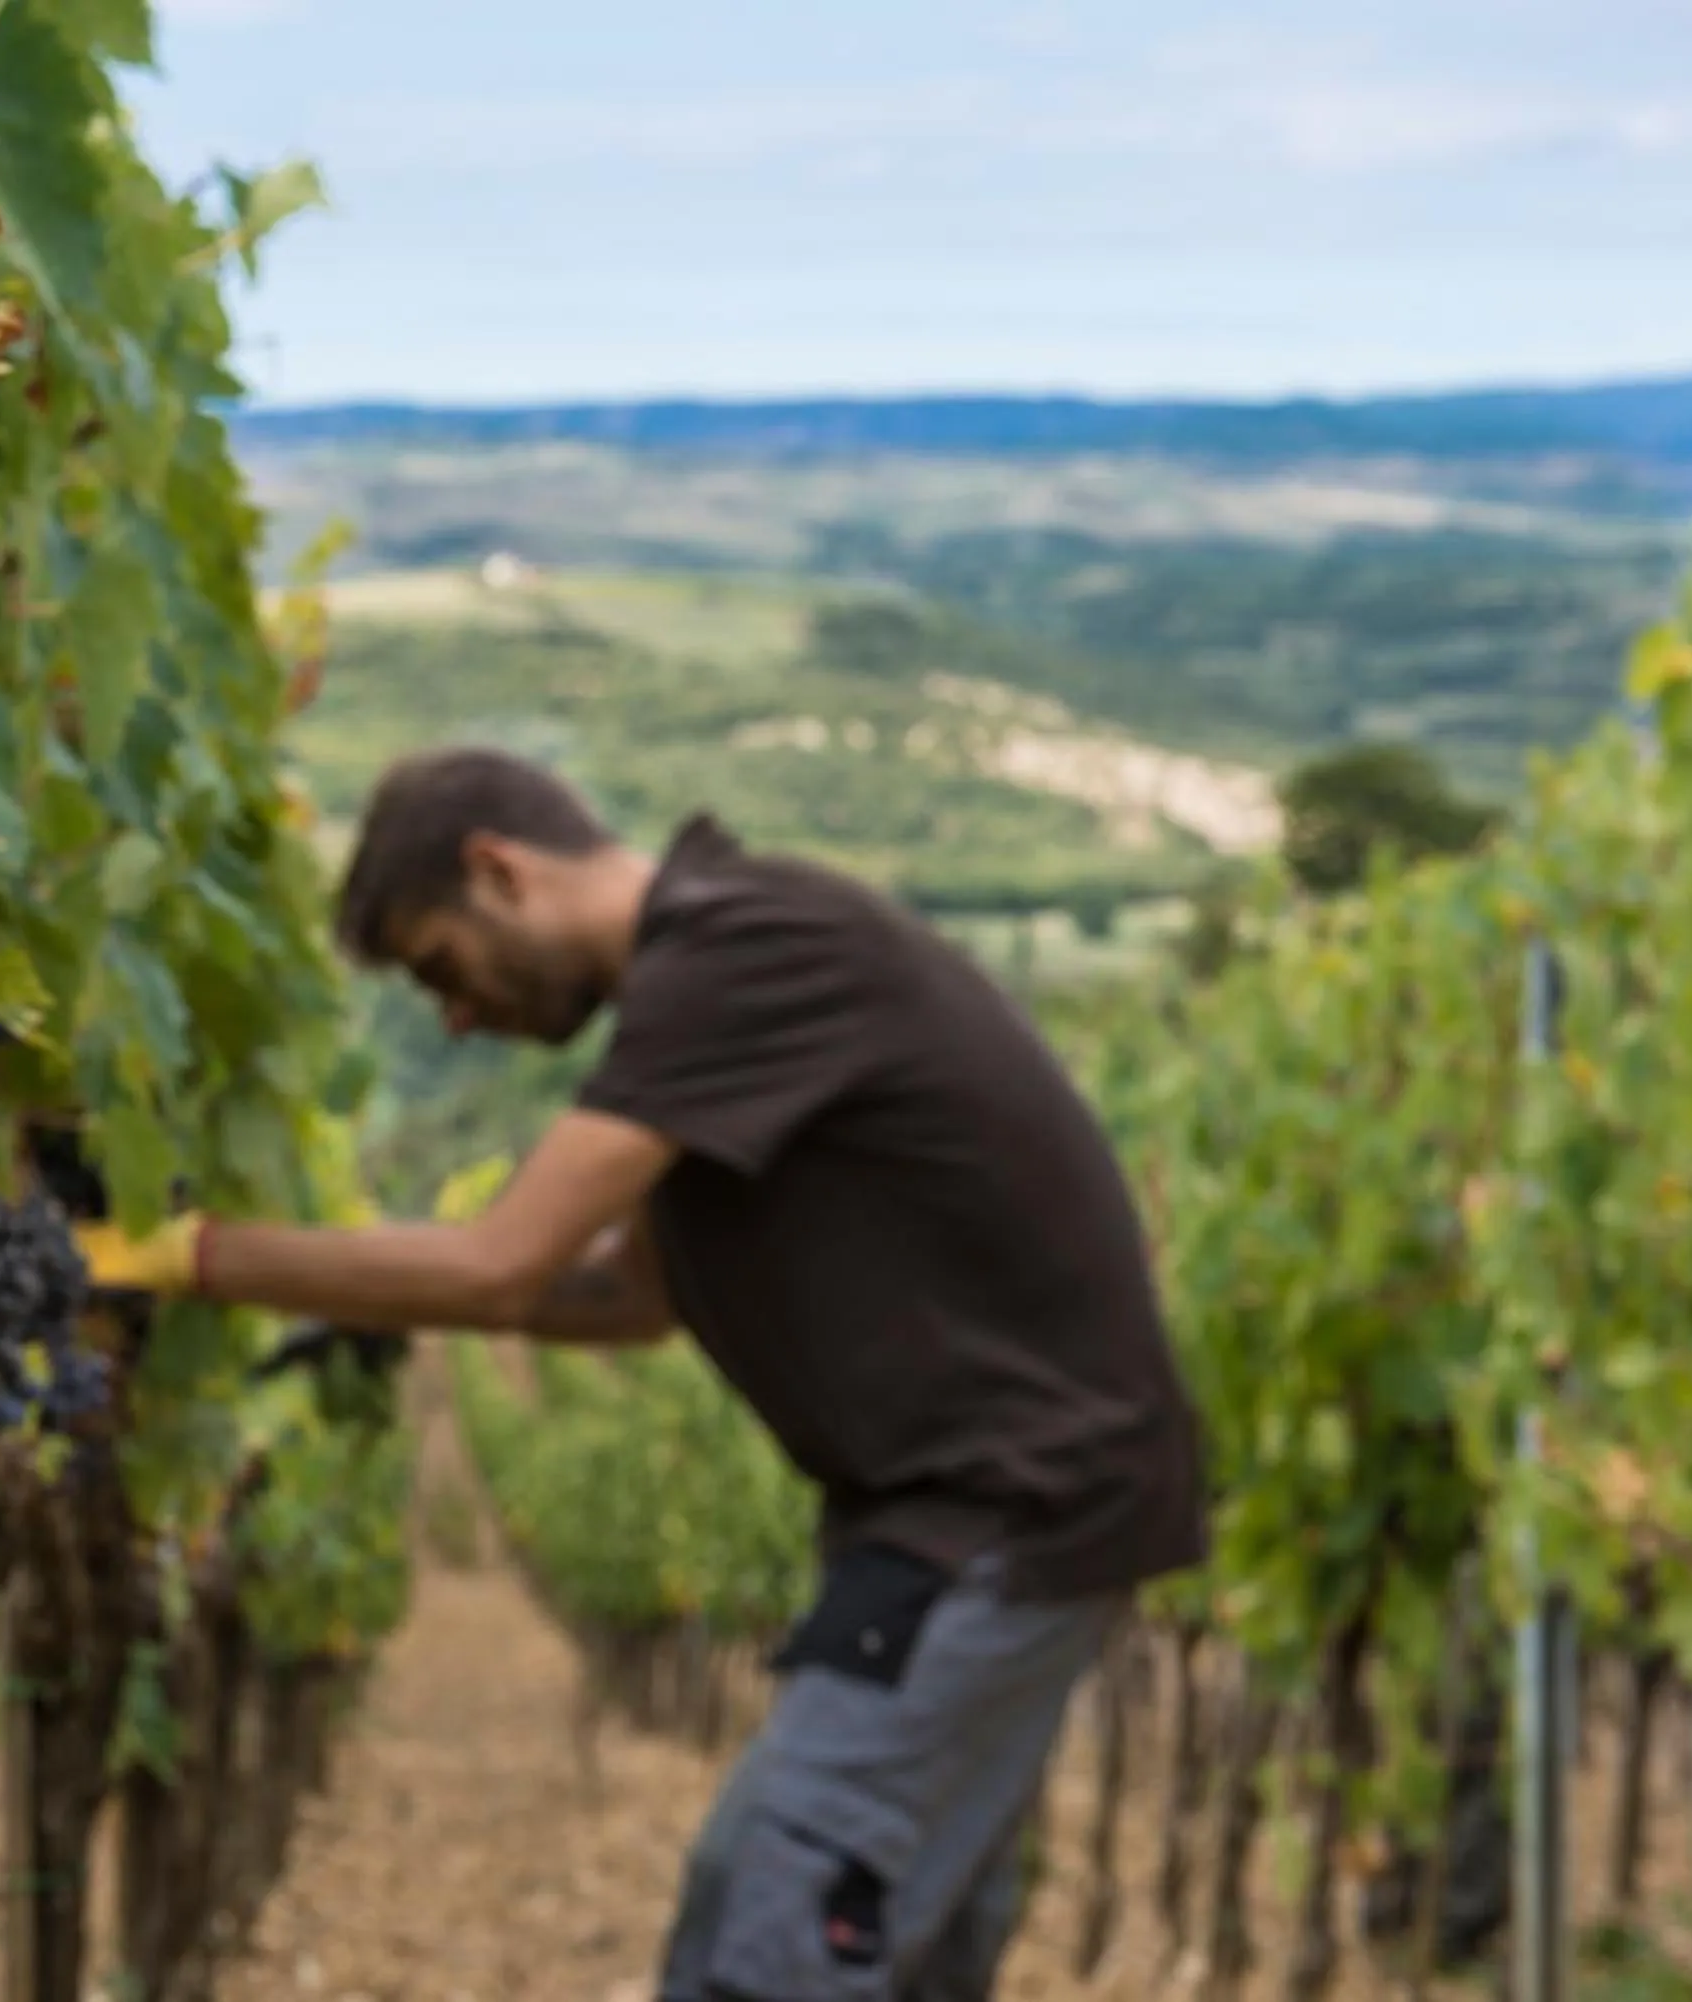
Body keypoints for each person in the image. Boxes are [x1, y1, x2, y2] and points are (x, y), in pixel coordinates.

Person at [73, 746, 1209, 2002]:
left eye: (441, 967)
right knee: (883, 1941)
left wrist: (175, 1253)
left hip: (1002, 1514)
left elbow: (503, 1265)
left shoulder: (738, 952)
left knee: (763, 1939)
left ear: (497, 871)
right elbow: (627, 1296)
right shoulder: (733, 966)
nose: (453, 1015)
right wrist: (345, 1291)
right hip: (982, 1514)